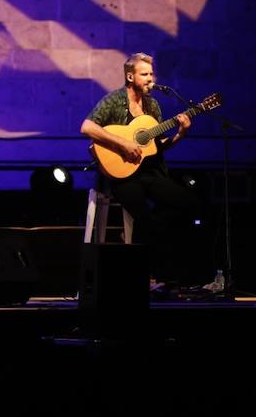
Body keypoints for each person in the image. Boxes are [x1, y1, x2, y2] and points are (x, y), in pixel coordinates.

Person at [80, 52, 198, 290]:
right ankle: (151, 275)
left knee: (189, 204)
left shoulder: (153, 105)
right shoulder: (113, 100)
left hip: (149, 172)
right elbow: (87, 127)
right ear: (130, 76)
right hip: (121, 175)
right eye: (145, 74)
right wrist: (122, 143)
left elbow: (155, 147)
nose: (150, 79)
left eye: (151, 74)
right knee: (143, 217)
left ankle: (173, 271)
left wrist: (180, 134)